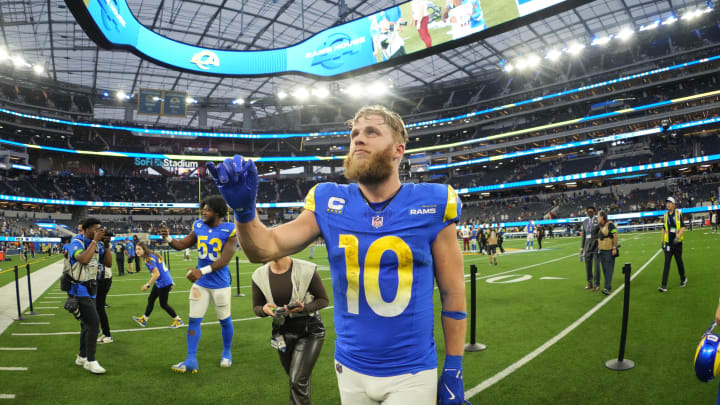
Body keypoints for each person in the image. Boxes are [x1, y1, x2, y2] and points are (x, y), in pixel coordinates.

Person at [207, 105, 469, 405]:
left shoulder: (433, 202)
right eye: (354, 133)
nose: (358, 139)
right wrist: (243, 212)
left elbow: (453, 292)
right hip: (350, 367)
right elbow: (263, 249)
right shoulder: (328, 200)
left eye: (372, 132)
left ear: (398, 149)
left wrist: (454, 366)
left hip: (410, 371)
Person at [162, 196, 238, 373]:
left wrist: (200, 271)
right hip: (201, 284)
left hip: (220, 284)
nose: (203, 211)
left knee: (225, 320)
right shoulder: (198, 225)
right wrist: (168, 238)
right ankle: (191, 360)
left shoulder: (230, 229)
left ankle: (227, 353)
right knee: (194, 320)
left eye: (208, 209)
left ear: (218, 212)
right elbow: (181, 245)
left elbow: (225, 259)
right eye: (203, 208)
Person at [251, 256, 329, 404]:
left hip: (309, 330)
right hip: (281, 332)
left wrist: (305, 308)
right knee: (297, 380)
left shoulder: (307, 268)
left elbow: (323, 300)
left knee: (297, 380)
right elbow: (257, 307)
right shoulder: (258, 275)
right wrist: (263, 310)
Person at [67, 217, 112, 374]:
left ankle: (82, 356)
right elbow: (84, 259)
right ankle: (90, 361)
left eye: (99, 228)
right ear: (86, 230)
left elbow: (108, 264)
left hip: (92, 288)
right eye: (95, 228)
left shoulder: (98, 244)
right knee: (94, 323)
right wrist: (94, 242)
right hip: (79, 289)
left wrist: (106, 245)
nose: (98, 231)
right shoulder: (77, 242)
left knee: (86, 325)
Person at [132, 242, 183, 328]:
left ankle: (178, 320)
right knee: (151, 299)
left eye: (139, 249)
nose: (137, 251)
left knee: (163, 304)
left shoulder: (148, 258)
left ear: (144, 249)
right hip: (162, 281)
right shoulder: (150, 254)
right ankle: (144, 319)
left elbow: (157, 274)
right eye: (136, 249)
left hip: (163, 283)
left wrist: (147, 285)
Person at [659, 196, 688, 292]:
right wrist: (662, 242)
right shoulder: (665, 215)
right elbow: (663, 229)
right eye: (667, 202)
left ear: (674, 204)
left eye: (670, 202)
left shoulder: (679, 214)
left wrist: (677, 237)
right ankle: (663, 285)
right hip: (668, 243)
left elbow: (683, 227)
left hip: (677, 243)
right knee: (666, 263)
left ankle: (683, 278)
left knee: (679, 261)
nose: (668, 204)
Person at [96, 232, 114, 344]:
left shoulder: (101, 245)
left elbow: (108, 263)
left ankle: (107, 334)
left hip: (103, 278)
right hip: (98, 277)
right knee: (95, 305)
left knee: (99, 306)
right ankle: (96, 328)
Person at [596, 211, 618, 295]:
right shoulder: (600, 226)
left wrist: (614, 248)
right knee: (605, 270)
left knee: (609, 269)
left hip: (609, 250)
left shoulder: (610, 225)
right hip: (601, 250)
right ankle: (607, 286)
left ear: (602, 217)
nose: (597, 218)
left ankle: (607, 288)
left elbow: (615, 235)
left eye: (598, 216)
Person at [580, 206, 601, 291]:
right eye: (588, 212)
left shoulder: (598, 220)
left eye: (591, 212)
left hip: (596, 245)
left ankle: (596, 284)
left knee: (596, 265)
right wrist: (581, 247)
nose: (589, 213)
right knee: (588, 265)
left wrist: (600, 241)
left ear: (594, 212)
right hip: (587, 246)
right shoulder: (585, 221)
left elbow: (601, 232)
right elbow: (583, 235)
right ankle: (589, 283)